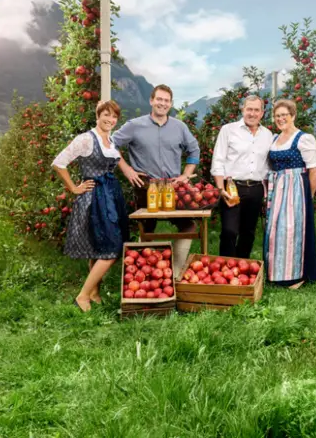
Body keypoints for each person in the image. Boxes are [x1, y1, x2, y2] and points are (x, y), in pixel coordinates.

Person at [113, 85, 201, 279]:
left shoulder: (180, 127)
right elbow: (111, 144)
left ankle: (175, 272)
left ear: (170, 104)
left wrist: (186, 174)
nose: (162, 103)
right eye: (159, 99)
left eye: (166, 100)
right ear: (151, 101)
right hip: (146, 186)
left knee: (188, 226)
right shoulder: (134, 125)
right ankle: (147, 274)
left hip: (173, 187)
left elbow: (194, 150)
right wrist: (127, 170)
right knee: (147, 228)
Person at [51, 100, 129, 312]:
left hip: (111, 196)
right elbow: (59, 163)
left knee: (99, 246)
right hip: (94, 197)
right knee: (111, 249)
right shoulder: (86, 139)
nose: (110, 119)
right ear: (98, 115)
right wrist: (74, 188)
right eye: (106, 114)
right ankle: (83, 295)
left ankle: (94, 291)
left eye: (114, 116)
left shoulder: (110, 141)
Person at [263, 99, 316, 289]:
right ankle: (276, 273)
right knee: (275, 230)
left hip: (296, 188)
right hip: (277, 188)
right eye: (277, 116)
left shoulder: (303, 138)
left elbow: (314, 170)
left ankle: (296, 276)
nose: (280, 119)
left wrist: (308, 197)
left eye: (284, 115)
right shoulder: (273, 139)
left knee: (292, 230)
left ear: (293, 116)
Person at [211, 95, 272, 259]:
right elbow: (218, 160)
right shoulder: (228, 130)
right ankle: (225, 266)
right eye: (249, 109)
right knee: (229, 231)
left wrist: (267, 191)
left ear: (262, 113)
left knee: (248, 232)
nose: (252, 113)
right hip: (232, 187)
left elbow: (268, 165)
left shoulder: (267, 135)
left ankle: (241, 266)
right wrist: (220, 188)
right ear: (242, 110)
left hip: (256, 189)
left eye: (256, 110)